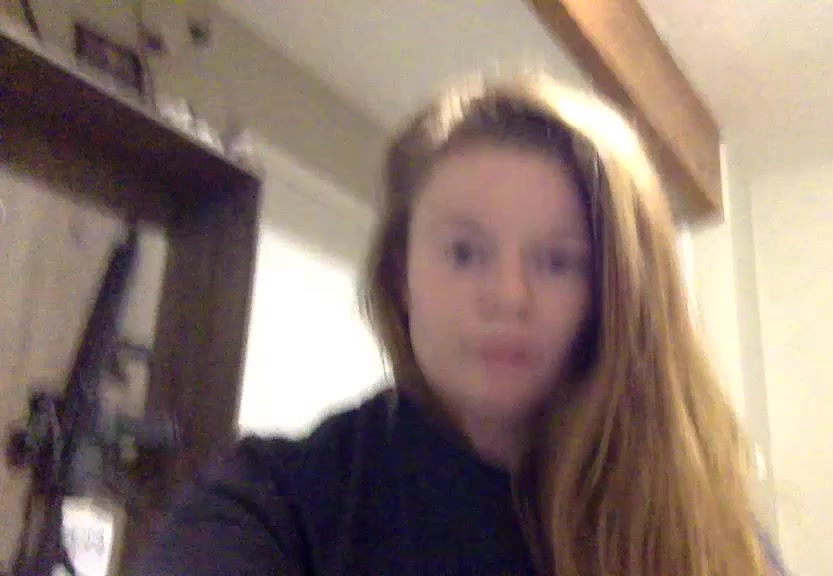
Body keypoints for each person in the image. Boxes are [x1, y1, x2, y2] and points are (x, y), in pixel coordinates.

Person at [134, 75, 784, 575]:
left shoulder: (699, 523)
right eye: (465, 253)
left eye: (557, 261)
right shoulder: (276, 503)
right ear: (400, 275)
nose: (509, 296)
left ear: (611, 294)